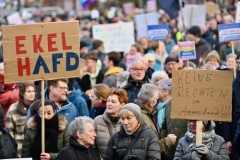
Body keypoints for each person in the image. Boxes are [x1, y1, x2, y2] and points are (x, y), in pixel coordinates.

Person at [94, 88, 128, 159]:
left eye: (113, 102)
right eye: (108, 101)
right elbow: (92, 146)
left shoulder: (127, 122)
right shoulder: (97, 121)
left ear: (122, 105)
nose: (109, 104)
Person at [6, 82, 36, 157]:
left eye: (33, 91)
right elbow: (10, 133)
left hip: (35, 148)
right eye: (29, 91)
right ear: (22, 93)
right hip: (20, 150)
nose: (32, 94)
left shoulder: (39, 107)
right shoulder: (13, 109)